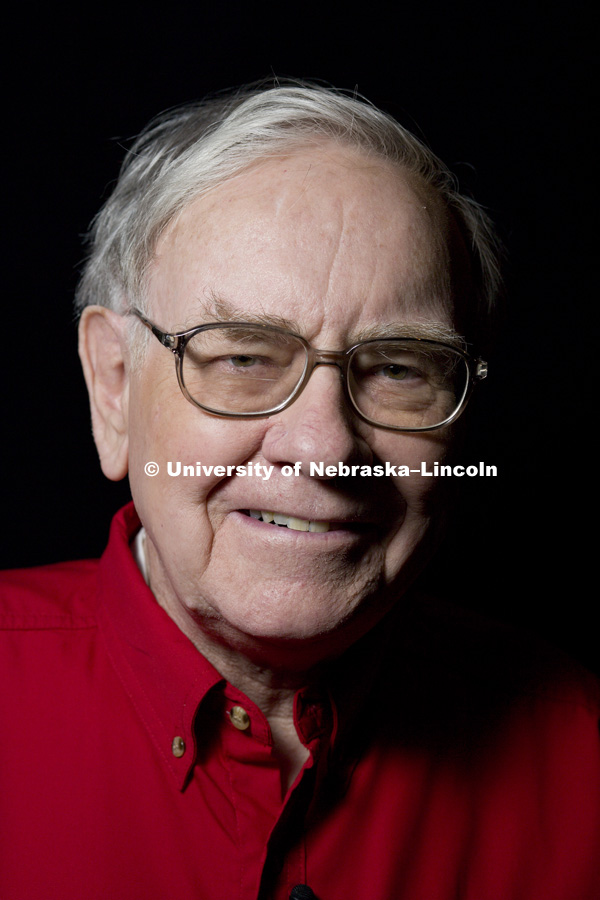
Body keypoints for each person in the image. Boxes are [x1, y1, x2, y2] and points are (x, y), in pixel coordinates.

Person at [1, 82, 598, 900]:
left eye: (397, 369)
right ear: (113, 387)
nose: (323, 449)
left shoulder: (577, 752)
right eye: (243, 357)